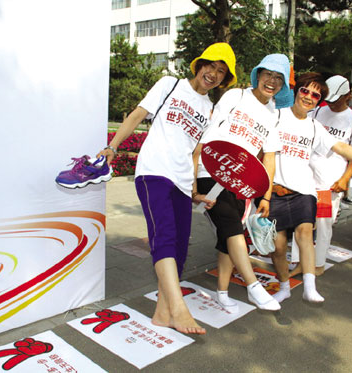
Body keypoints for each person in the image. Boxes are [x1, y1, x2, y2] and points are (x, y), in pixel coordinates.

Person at [98, 43, 237, 335]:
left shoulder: (209, 107)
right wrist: (112, 147)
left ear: (224, 79)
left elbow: (195, 152)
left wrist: (196, 190)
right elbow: (136, 115)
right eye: (210, 66)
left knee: (179, 248)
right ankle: (179, 308)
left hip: (183, 180)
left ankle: (162, 313)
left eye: (221, 72)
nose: (213, 74)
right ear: (199, 65)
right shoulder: (169, 84)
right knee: (163, 236)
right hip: (154, 171)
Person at [266, 72, 352, 304]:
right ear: (296, 91)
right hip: (276, 190)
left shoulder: (315, 127)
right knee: (278, 246)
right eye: (305, 91)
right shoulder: (276, 116)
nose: (309, 97)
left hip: (304, 189)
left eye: (315, 94)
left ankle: (309, 286)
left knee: (305, 232)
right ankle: (284, 287)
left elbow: (342, 147)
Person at [194, 54, 294, 312]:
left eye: (278, 78)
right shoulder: (235, 96)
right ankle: (253, 287)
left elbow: (269, 158)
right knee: (231, 227)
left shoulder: (273, 114)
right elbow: (209, 134)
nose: (271, 81)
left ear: (282, 86)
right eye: (268, 74)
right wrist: (194, 175)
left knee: (228, 236)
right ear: (258, 75)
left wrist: (266, 196)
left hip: (242, 183)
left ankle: (223, 292)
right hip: (212, 171)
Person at [291, 75, 352, 277]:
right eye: (329, 100)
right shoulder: (317, 110)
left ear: (348, 96)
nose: (331, 104)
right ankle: (299, 261)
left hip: (330, 182)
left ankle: (318, 264)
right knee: (302, 220)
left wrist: (344, 180)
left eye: (336, 100)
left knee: (324, 223)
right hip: (307, 177)